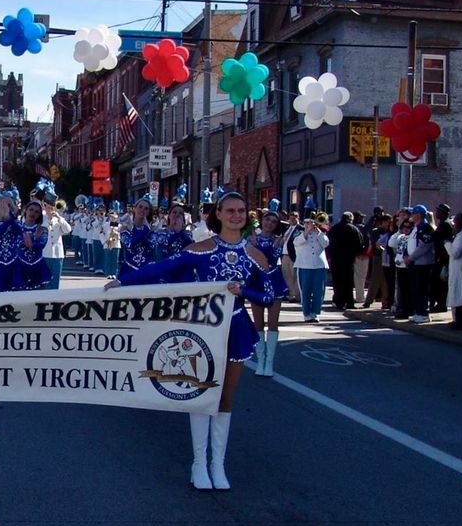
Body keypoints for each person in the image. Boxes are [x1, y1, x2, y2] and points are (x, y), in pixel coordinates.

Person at [106, 191, 274, 490]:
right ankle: (199, 462)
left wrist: (243, 293)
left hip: (236, 328)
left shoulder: (255, 253)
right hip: (205, 328)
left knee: (225, 398)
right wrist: (123, 281)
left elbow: (272, 294)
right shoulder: (202, 249)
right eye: (230, 210)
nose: (237, 215)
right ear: (218, 214)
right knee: (203, 392)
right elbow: (163, 267)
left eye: (241, 210)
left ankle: (218, 464)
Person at [250, 209, 289, 376]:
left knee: (273, 323)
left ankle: (269, 363)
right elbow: (251, 258)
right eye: (267, 220)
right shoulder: (252, 238)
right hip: (257, 281)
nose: (270, 224)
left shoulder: (277, 241)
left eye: (274, 222)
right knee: (258, 323)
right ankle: (260, 360)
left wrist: (276, 246)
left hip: (273, 281)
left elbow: (271, 260)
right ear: (262, 221)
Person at [293, 216, 330, 322]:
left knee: (319, 291)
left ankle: (315, 312)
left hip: (319, 266)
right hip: (304, 266)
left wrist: (318, 230)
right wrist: (307, 231)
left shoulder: (320, 234)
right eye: (307, 222)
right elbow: (297, 242)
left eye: (311, 222)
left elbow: (326, 243)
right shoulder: (299, 233)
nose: (309, 224)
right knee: (305, 291)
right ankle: (306, 313)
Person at [403, 205, 436, 323]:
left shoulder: (426, 228)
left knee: (421, 289)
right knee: (415, 289)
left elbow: (425, 246)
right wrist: (406, 256)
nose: (411, 216)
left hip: (422, 264)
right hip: (414, 264)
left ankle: (423, 313)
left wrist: (411, 258)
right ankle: (418, 312)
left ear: (419, 215)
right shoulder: (415, 228)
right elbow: (409, 243)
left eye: (413, 214)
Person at [17, 200, 52, 289]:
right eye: (31, 209)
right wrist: (33, 240)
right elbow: (16, 242)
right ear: (26, 210)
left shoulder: (43, 229)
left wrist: (31, 241)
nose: (33, 213)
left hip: (38, 268)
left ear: (40, 215)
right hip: (20, 267)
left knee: (38, 299)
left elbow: (41, 245)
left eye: (37, 212)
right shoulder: (17, 228)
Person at [41, 199, 73, 290]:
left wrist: (59, 218)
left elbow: (68, 230)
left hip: (57, 253)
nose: (50, 209)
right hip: (45, 252)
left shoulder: (59, 219)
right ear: (45, 207)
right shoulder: (41, 218)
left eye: (52, 207)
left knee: (55, 280)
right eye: (49, 207)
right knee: (45, 280)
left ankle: (54, 300)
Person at [431, 203, 453, 313]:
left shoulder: (446, 224)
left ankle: (441, 304)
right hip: (440, 256)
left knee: (441, 282)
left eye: (439, 211)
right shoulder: (442, 224)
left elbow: (440, 239)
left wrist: (441, 258)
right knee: (438, 282)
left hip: (443, 257)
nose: (436, 213)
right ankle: (439, 303)